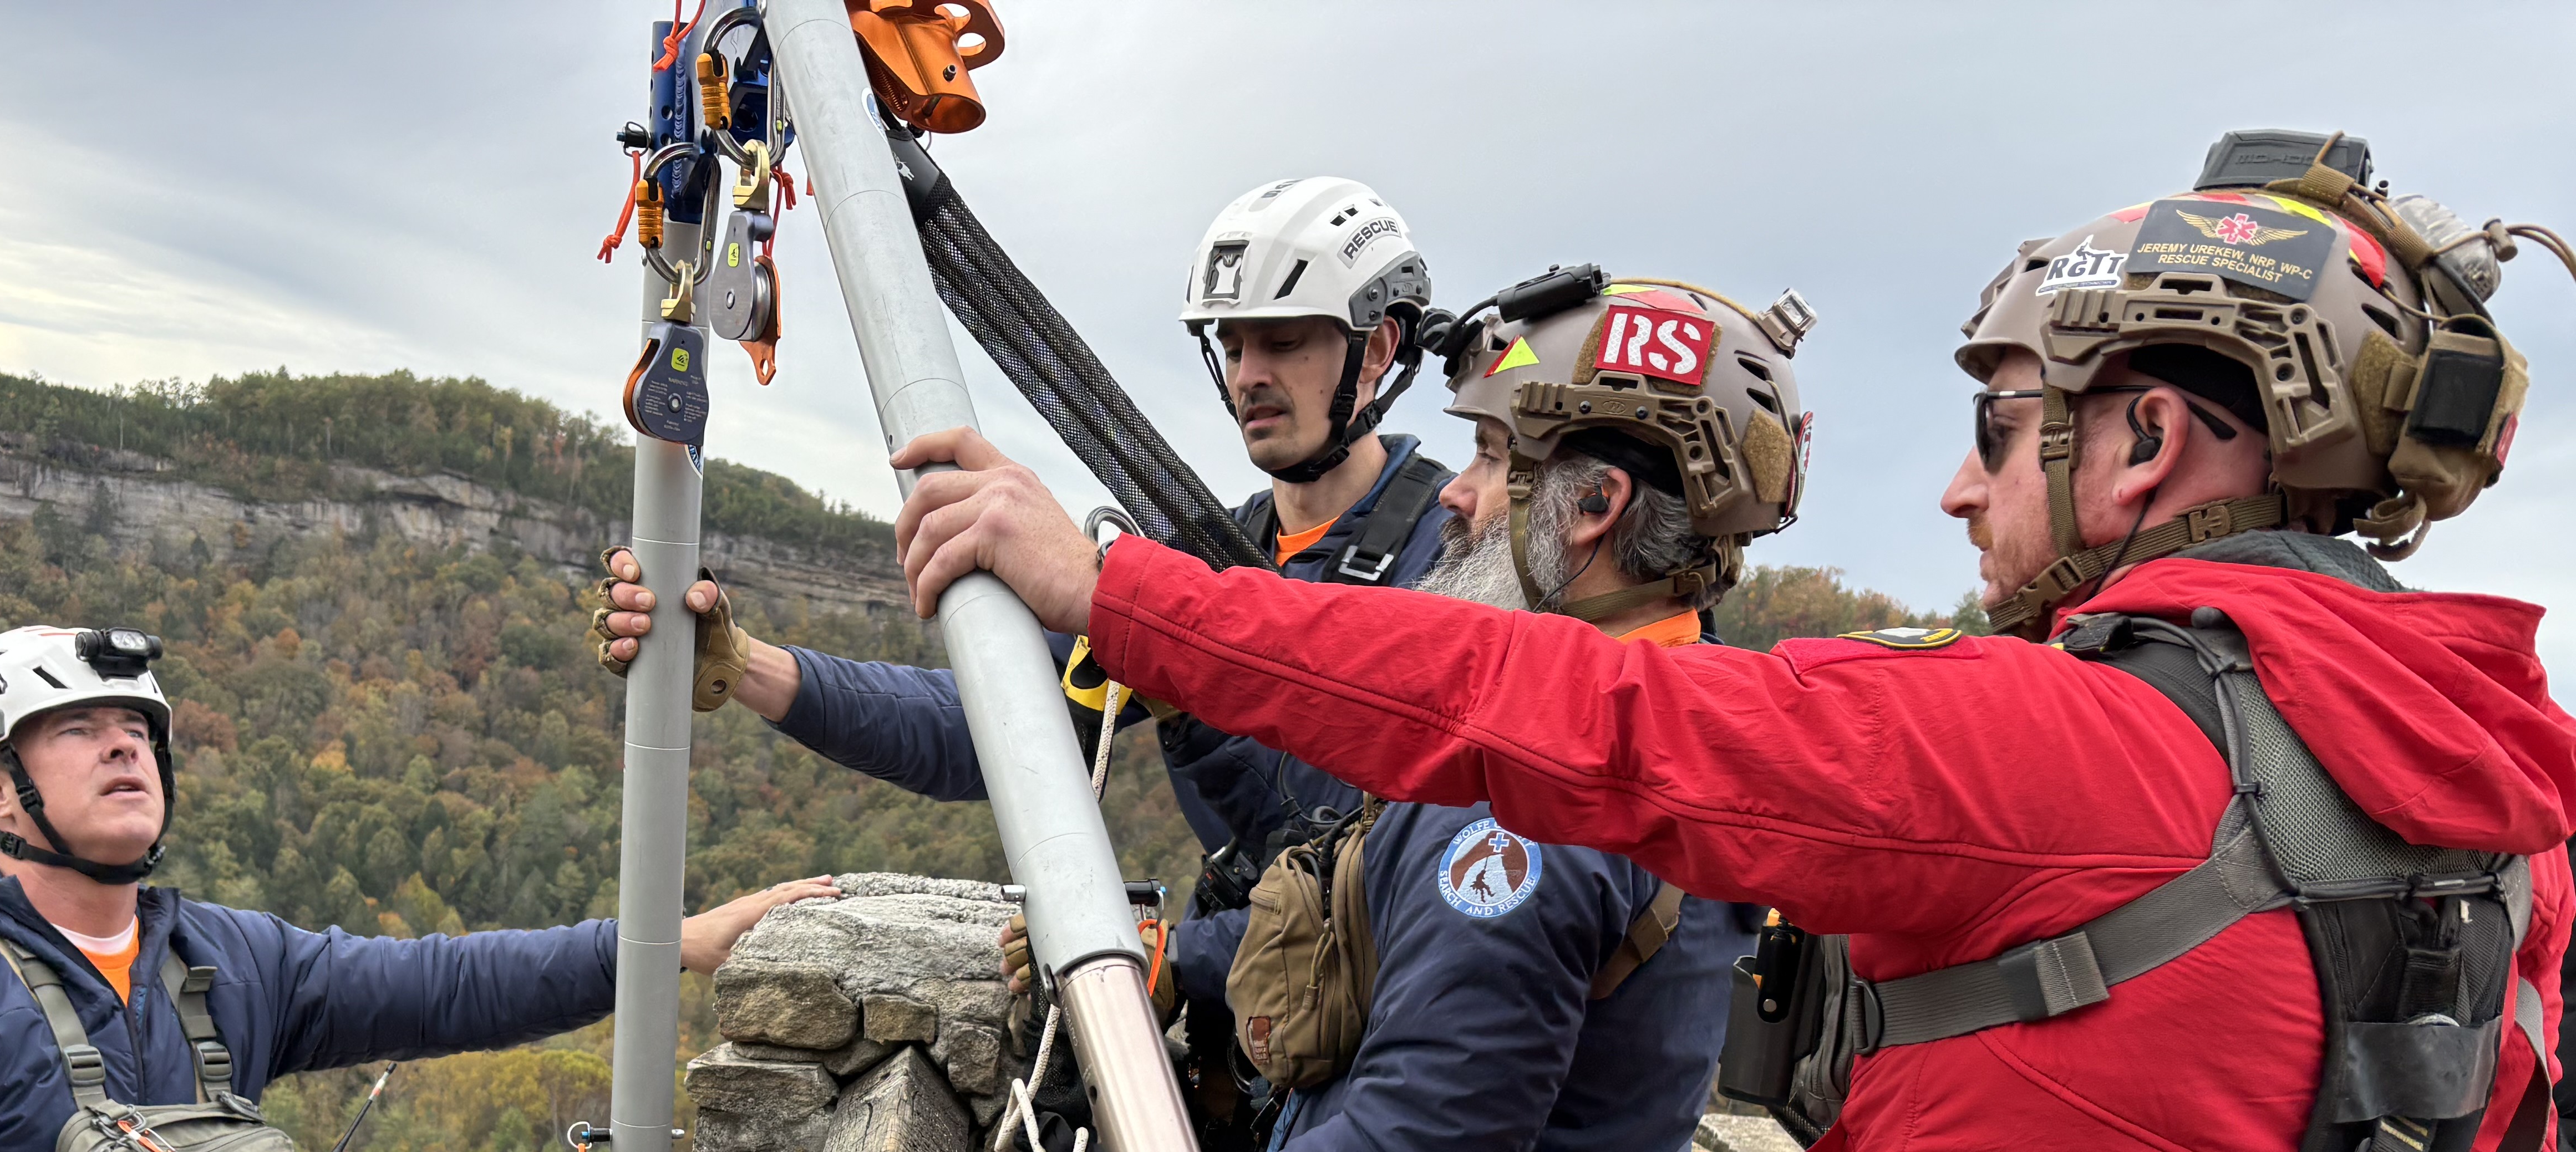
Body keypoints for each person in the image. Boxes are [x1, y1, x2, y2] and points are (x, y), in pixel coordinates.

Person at [870, 133, 2574, 1150]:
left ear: (2146, 445)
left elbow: (1571, 715)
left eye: (2000, 430)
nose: (1957, 491)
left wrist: (1121, 591)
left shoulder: (2069, 751)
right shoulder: (2497, 801)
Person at [599, 261, 1811, 1150]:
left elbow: (1425, 1107)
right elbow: (1005, 730)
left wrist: (1110, 590)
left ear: (1593, 509)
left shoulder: (1526, 789)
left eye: (1496, 459)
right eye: (1232, 343)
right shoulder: (1659, 713)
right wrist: (758, 668)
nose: (1249, 372)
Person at [0, 625, 835, 1151]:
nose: (125, 748)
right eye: (79, 731)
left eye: (138, 729)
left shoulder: (223, 960)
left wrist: (669, 944)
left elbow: (446, 986)